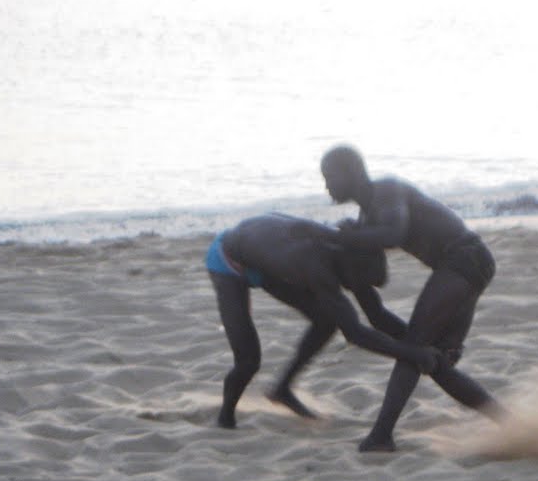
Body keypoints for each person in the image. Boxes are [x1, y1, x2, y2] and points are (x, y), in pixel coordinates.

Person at [320, 144, 503, 451]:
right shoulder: (366, 219)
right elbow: (376, 312)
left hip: (465, 257)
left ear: (351, 172)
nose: (326, 186)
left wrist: (344, 237)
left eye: (329, 177)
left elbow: (394, 233)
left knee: (416, 348)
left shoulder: (387, 191)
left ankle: (381, 435)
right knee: (436, 361)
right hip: (461, 265)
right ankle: (511, 423)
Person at [205, 213, 440, 428]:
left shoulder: (351, 253)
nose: (362, 289)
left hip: (268, 258)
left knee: (326, 321)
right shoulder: (314, 265)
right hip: (228, 261)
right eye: (362, 283)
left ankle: (282, 389)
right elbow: (355, 334)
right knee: (248, 361)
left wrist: (422, 342)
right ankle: (225, 418)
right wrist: (414, 354)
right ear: (351, 269)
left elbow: (377, 315)